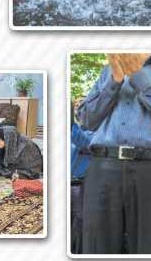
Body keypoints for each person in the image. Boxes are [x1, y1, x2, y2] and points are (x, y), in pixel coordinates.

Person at [78, 53, 151, 254]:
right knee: (97, 247)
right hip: (103, 167)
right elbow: (86, 119)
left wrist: (138, 76)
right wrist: (115, 81)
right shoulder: (107, 72)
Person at [71, 102, 94, 255]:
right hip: (69, 185)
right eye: (78, 109)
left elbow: (83, 140)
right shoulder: (75, 130)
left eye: (83, 109)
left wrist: (69, 122)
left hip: (83, 187)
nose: (80, 112)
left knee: (77, 227)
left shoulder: (99, 133)